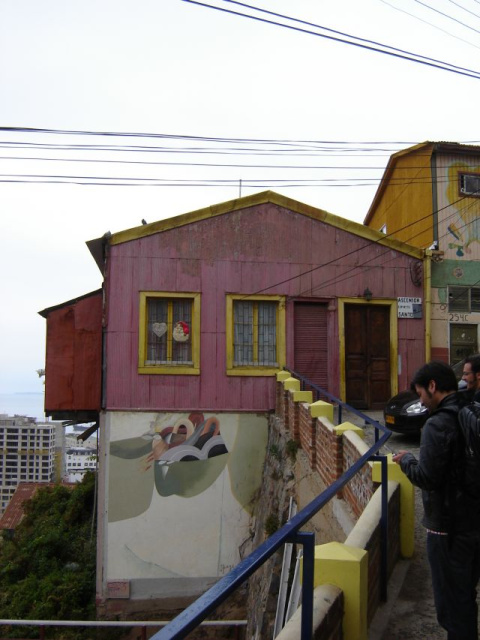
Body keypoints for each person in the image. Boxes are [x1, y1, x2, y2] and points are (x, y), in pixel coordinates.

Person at [393, 361, 480, 640]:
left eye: (420, 393)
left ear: (432, 386)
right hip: (473, 524)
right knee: (465, 595)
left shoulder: (437, 424)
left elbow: (427, 477)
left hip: (446, 529)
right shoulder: (470, 412)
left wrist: (406, 460)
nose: (420, 400)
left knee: (451, 607)